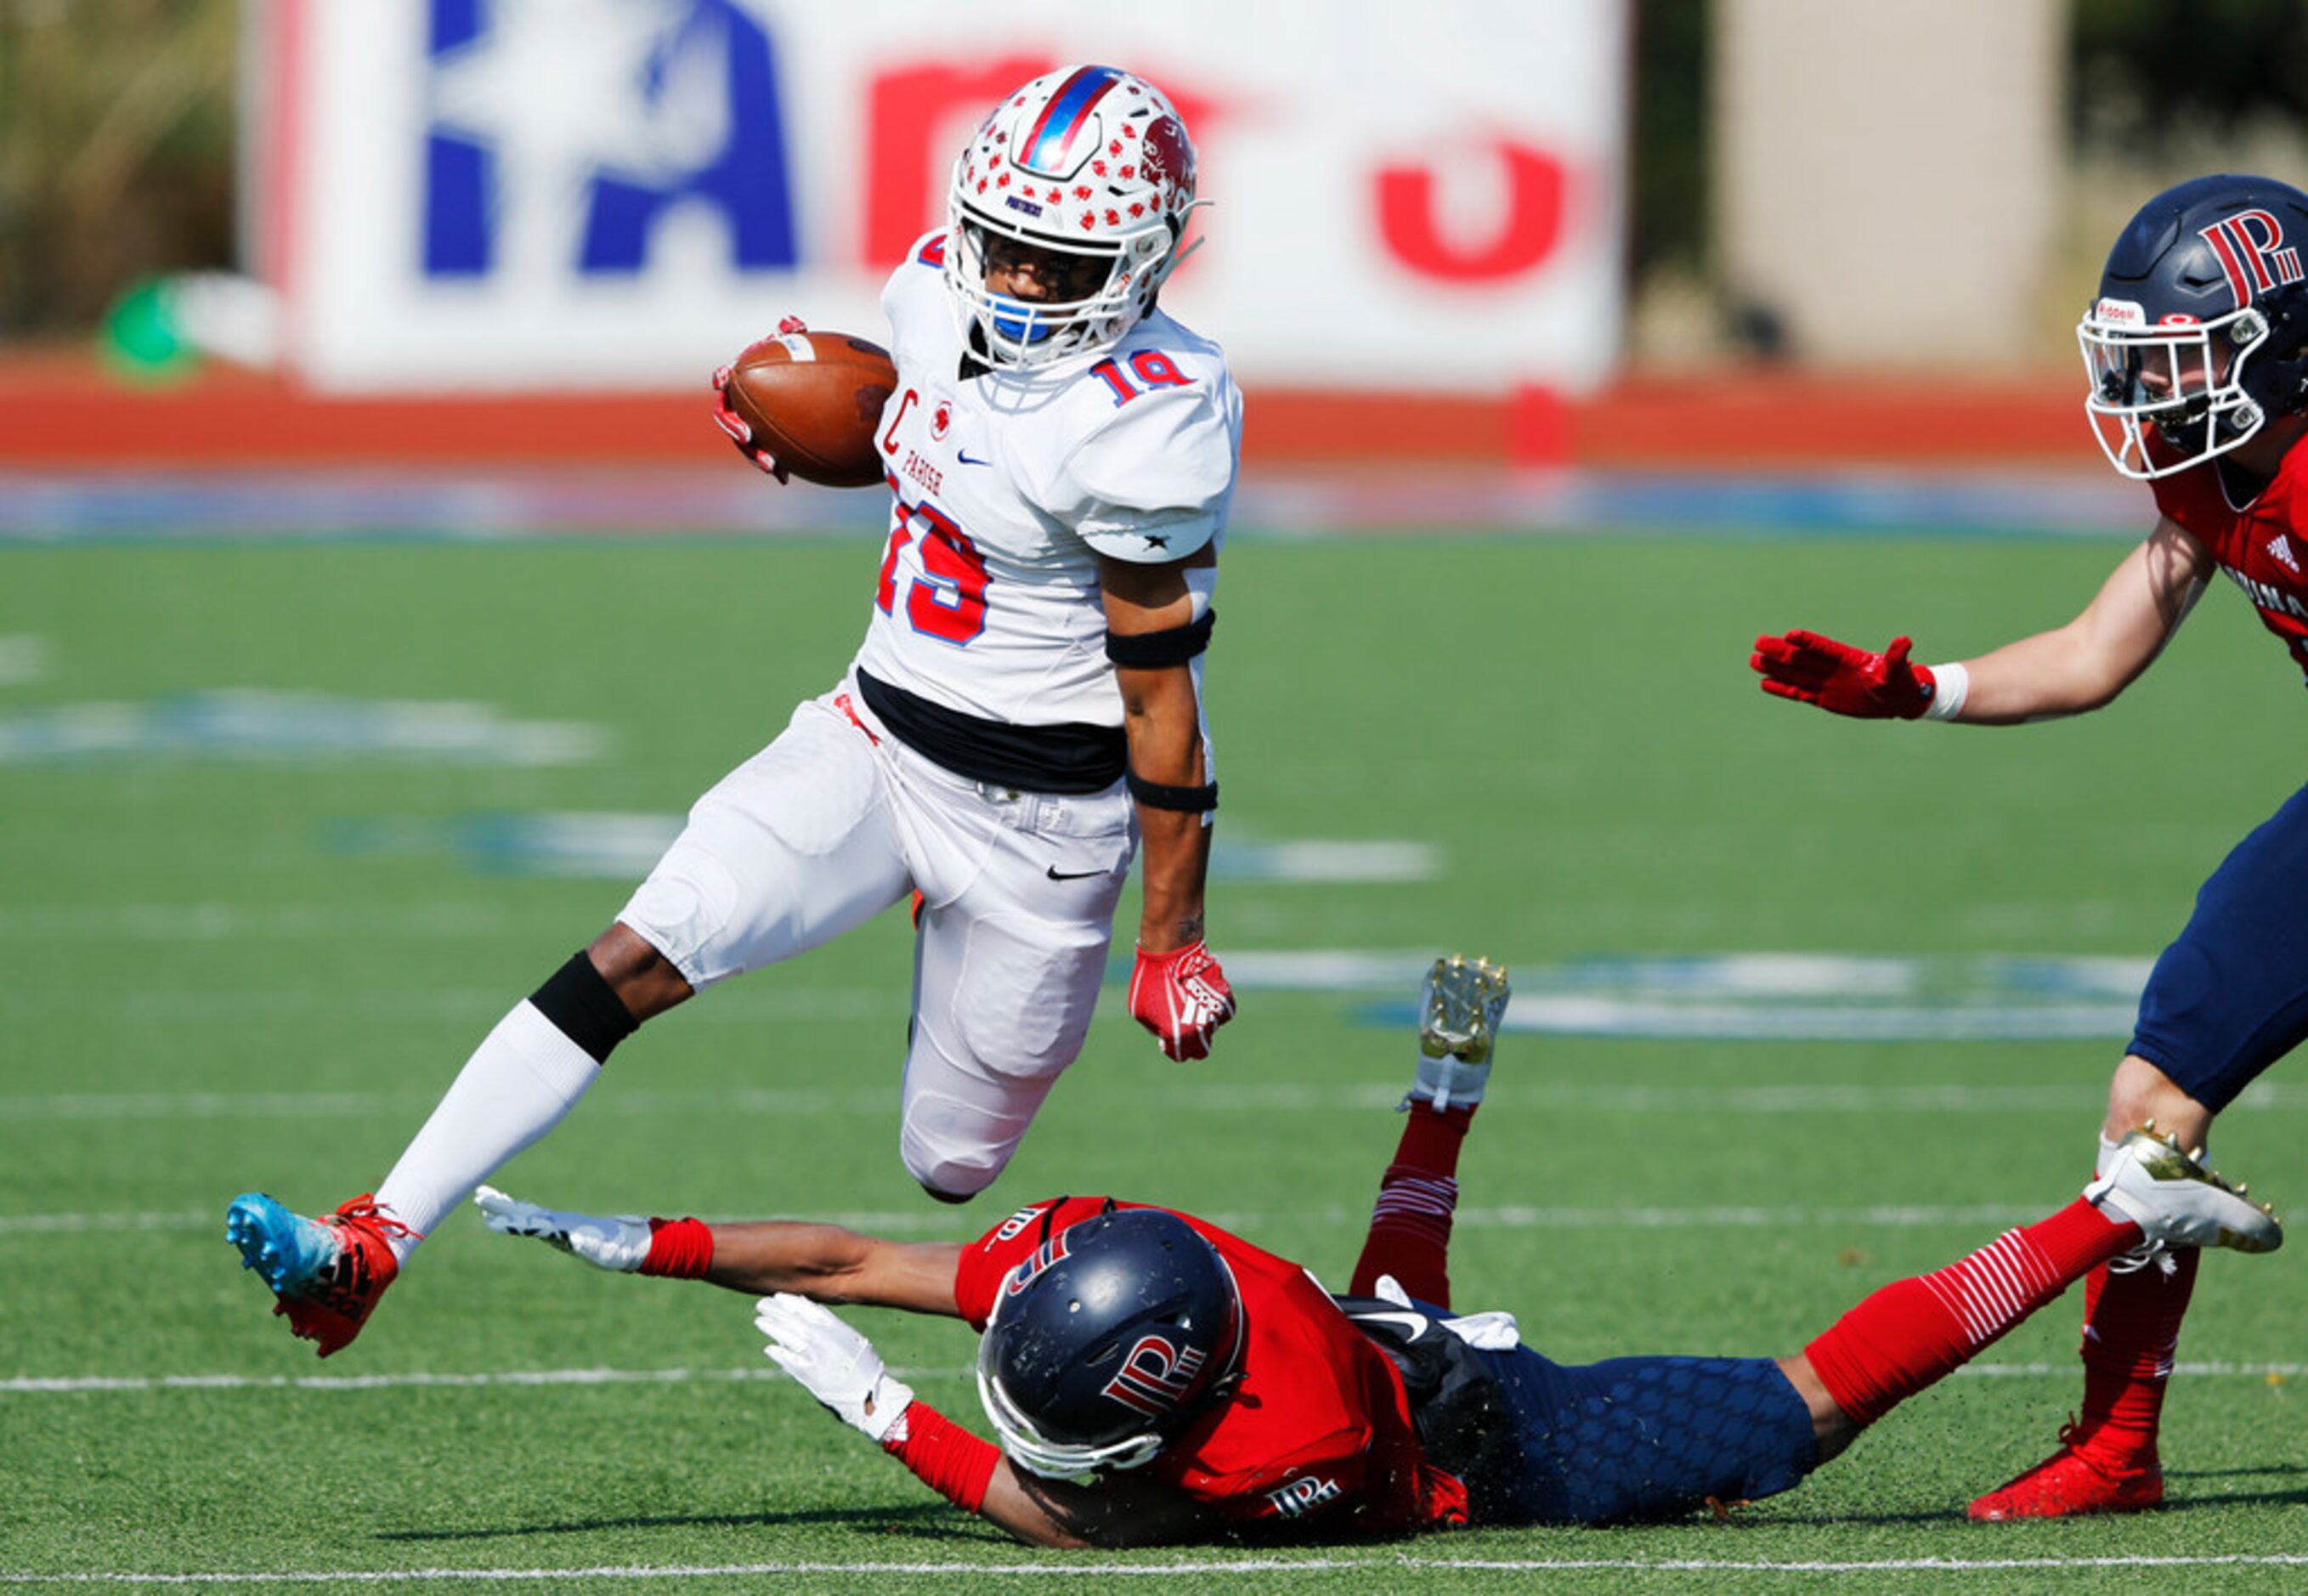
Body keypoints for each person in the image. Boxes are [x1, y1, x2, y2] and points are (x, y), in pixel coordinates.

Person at [225, 64, 1242, 1359]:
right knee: (641, 948)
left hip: (1047, 818)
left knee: (949, 1163)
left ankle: (949, 922)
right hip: (872, 738)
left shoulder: (1155, 416)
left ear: (1145, 261)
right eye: (1005, 246)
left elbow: (1161, 695)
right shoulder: (929, 291)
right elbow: (927, 436)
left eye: (1057, 262)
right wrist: (840, 432)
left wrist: (1173, 937)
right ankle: (374, 1234)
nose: (1019, 282)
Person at [475, 956, 2278, 1544]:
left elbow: (1086, 1525)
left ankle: (2108, 1211)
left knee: (1802, 1411)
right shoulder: (1121, 1254)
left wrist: (889, 1430)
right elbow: (859, 1260)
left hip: (1481, 1439)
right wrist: (653, 1241)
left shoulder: (1291, 1452)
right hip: (1362, 1329)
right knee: (1391, 1285)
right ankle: (1442, 1091)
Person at [1750, 172, 2308, 1519]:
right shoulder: (2212, 465)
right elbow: (2096, 647)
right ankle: (2117, 1448)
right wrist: (1918, 689)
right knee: (2153, 1101)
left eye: (2180, 359)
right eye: (2139, 359)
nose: (2147, 393)